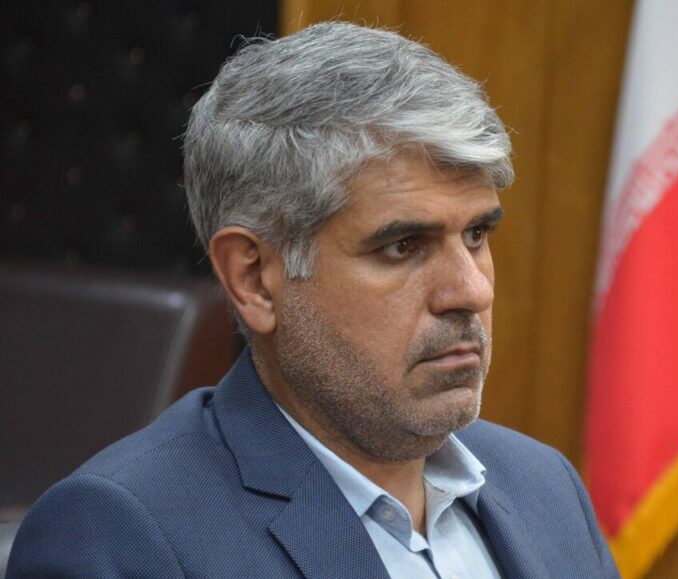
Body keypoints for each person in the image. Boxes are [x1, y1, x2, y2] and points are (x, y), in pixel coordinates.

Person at [7, 22, 619, 578]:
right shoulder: (123, 535)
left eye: (477, 235)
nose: (472, 290)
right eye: (403, 246)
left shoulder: (545, 486)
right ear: (254, 278)